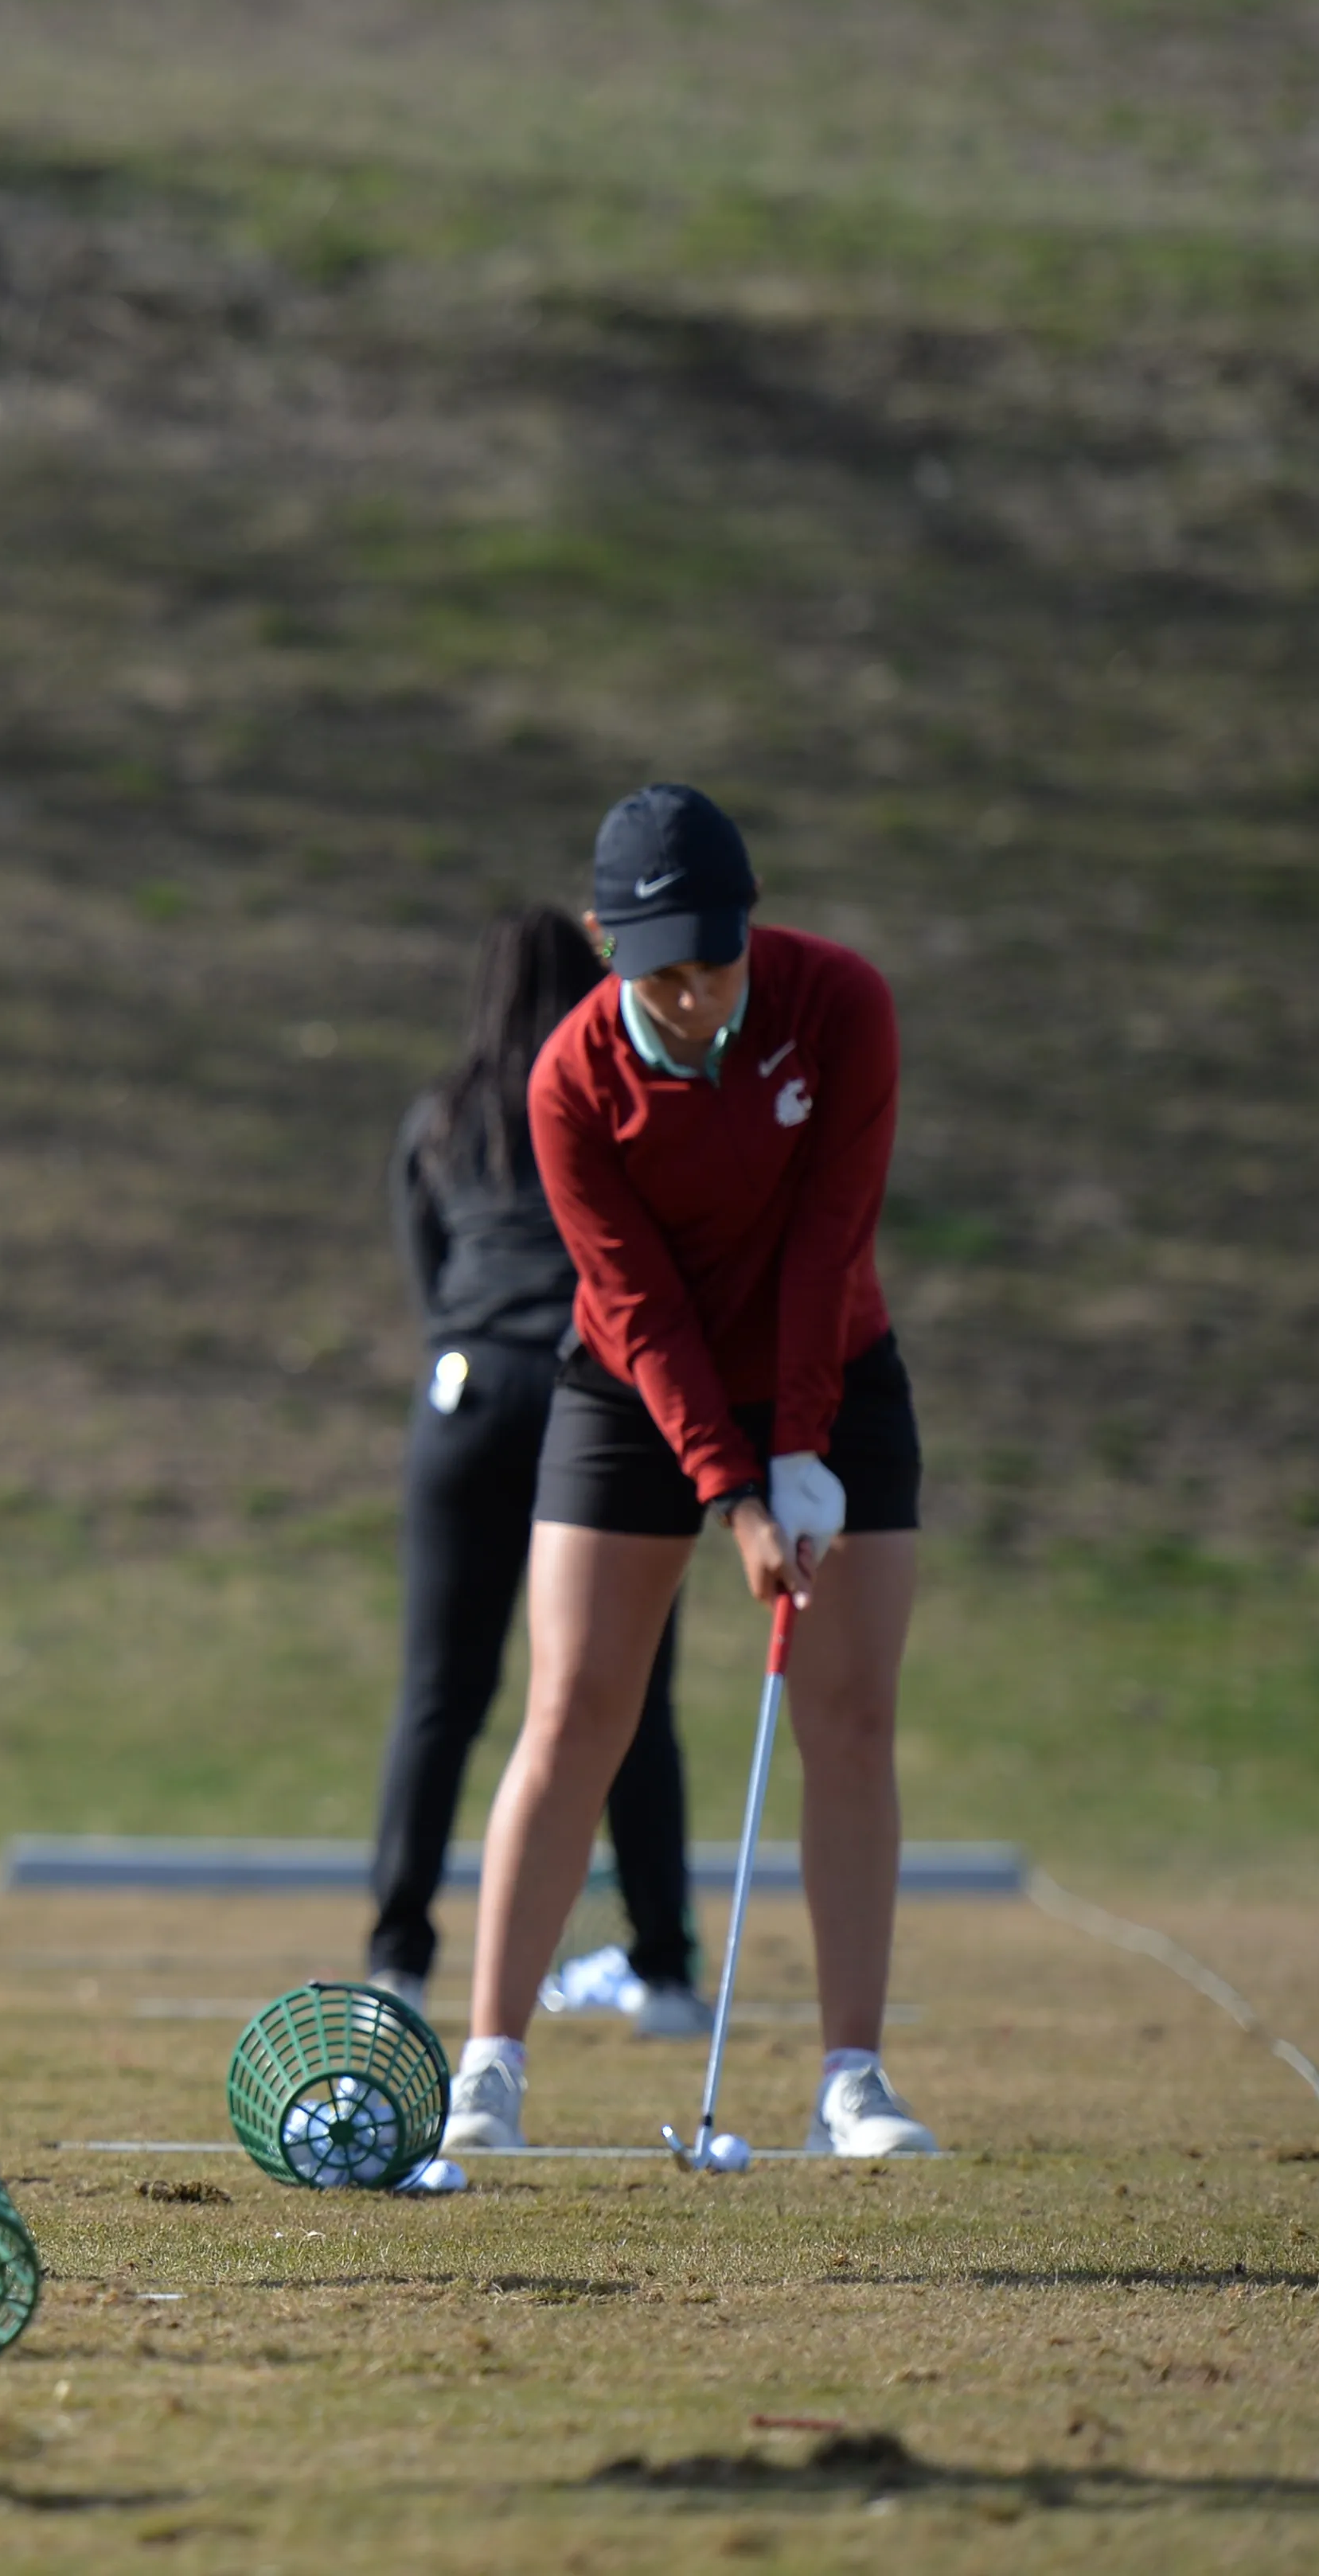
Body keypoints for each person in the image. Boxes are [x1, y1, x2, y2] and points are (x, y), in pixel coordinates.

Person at [443, 786, 938, 2159]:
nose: (695, 995)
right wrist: (732, 1491)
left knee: (853, 1720)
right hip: (631, 1389)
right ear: (605, 945)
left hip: (831, 1366)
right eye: (662, 972)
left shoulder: (841, 1008)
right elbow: (641, 1304)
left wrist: (799, 1451)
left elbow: (828, 1237)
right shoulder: (568, 1082)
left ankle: (854, 2077)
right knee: (578, 1702)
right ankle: (490, 2064)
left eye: (716, 963)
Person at [369, 907, 705, 2042]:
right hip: (593, 1399)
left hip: (464, 1394)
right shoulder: (605, 1099)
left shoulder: (441, 1116)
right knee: (626, 1699)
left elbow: (428, 1280)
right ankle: (662, 1966)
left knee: (440, 1695)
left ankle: (397, 1960)